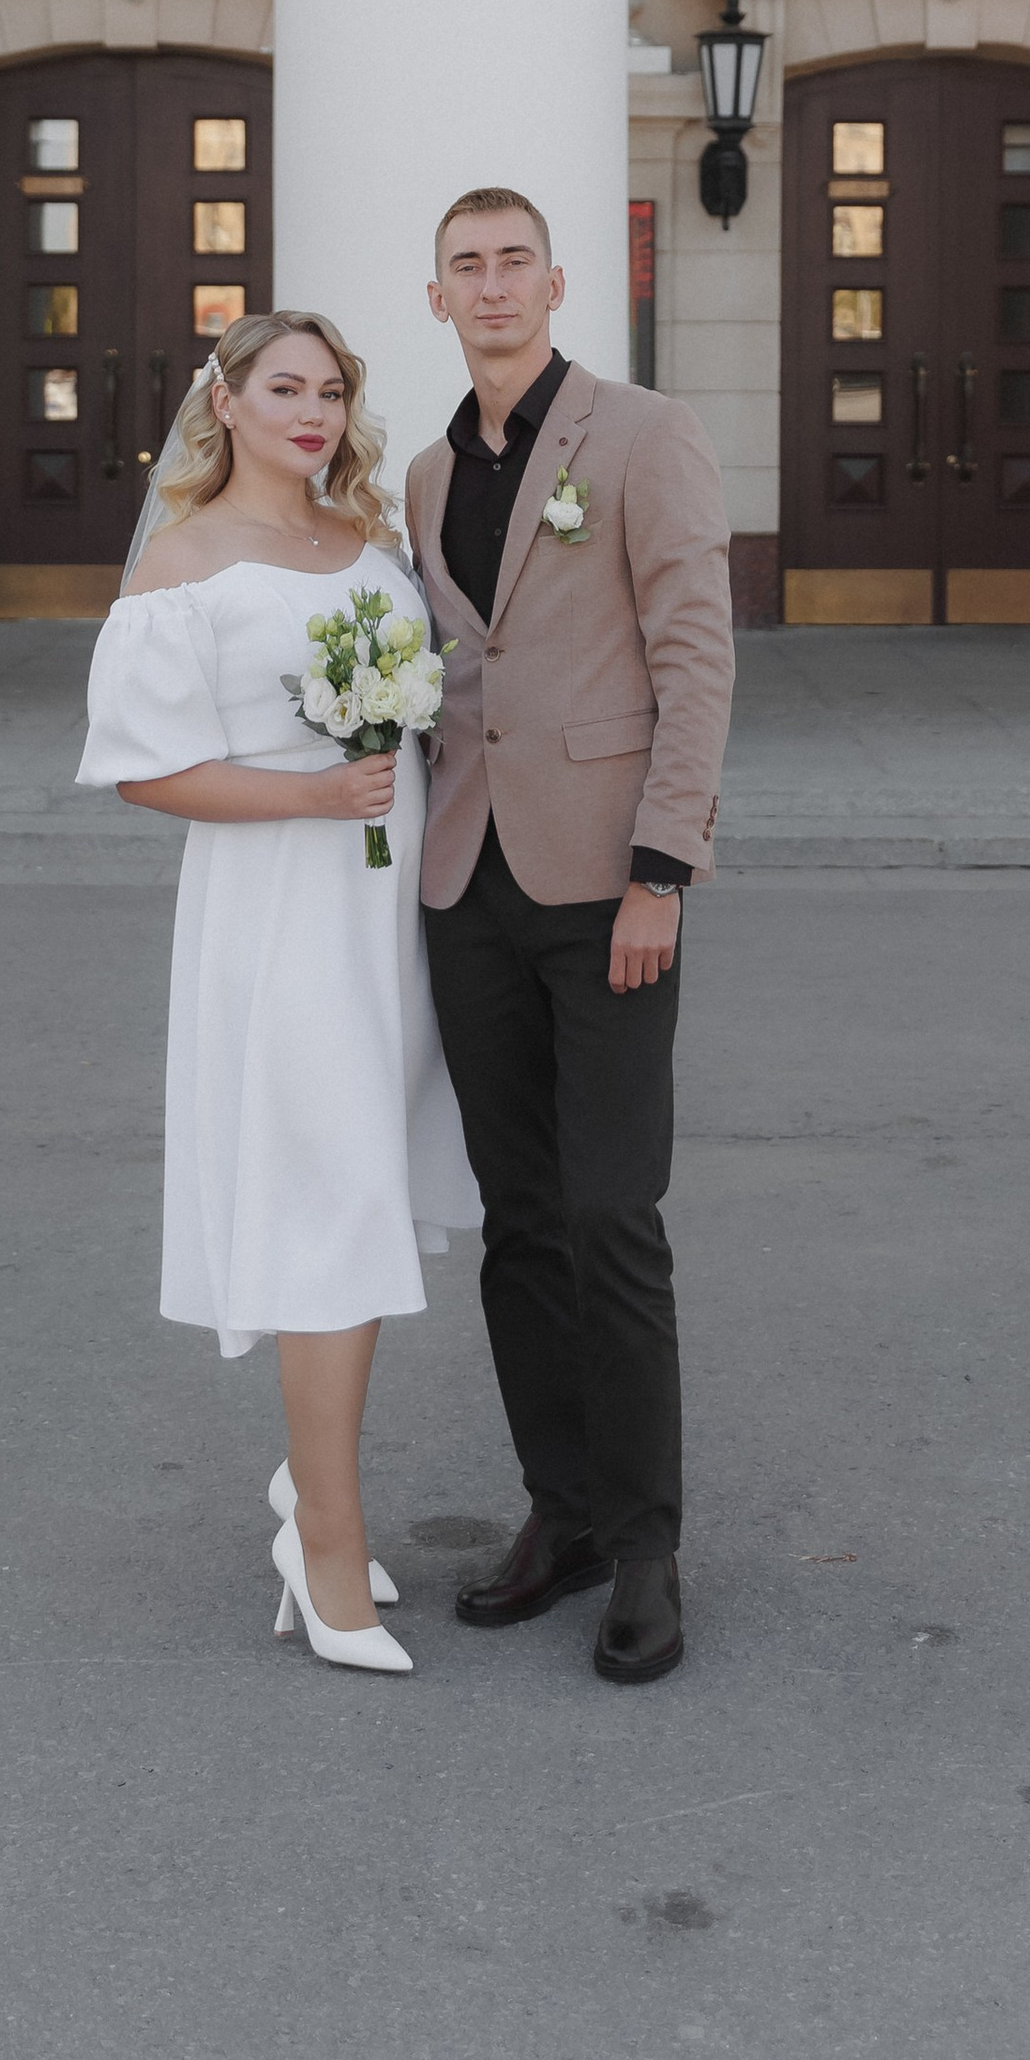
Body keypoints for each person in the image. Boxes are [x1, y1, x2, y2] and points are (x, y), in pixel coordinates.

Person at [77, 311, 477, 1680]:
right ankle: (323, 1536)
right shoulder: (185, 564)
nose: (311, 411)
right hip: (284, 914)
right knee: (334, 1202)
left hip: (387, 917)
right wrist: (310, 794)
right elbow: (142, 769)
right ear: (227, 403)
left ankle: (311, 1499)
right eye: (284, 388)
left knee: (361, 1187)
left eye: (331, 390)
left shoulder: (369, 545)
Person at [408, 187, 734, 1685]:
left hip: (609, 887)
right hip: (468, 888)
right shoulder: (422, 476)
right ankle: (564, 1510)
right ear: (437, 297)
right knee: (517, 1222)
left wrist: (663, 867)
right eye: (465, 267)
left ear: (556, 282)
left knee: (614, 1216)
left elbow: (692, 653)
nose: (491, 287)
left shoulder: (638, 436)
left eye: (512, 263)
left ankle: (649, 1546)